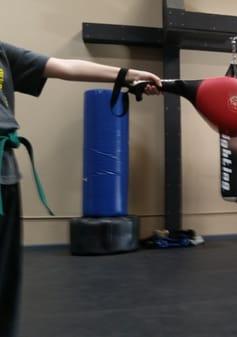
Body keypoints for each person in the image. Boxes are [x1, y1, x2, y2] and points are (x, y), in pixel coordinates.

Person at [0, 40, 161, 337]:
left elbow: (66, 67)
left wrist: (128, 74)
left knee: (5, 282)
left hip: (6, 175)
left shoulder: (2, 52)